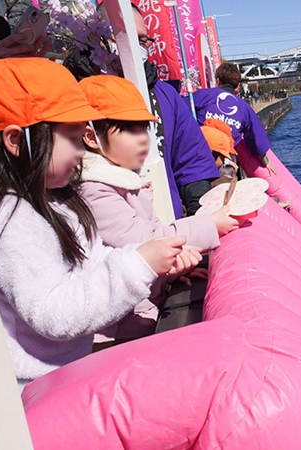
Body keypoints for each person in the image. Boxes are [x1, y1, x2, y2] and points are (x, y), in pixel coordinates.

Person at [0, 58, 187, 388]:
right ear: (15, 141)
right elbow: (54, 314)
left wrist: (156, 265)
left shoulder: (54, 198)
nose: (82, 151)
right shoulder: (9, 218)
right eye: (72, 137)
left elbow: (93, 261)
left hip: (71, 369)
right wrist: (139, 265)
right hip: (39, 390)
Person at [78, 75, 240, 340]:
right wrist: (211, 224)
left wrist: (168, 276)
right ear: (91, 137)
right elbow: (147, 242)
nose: (143, 139)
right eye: (130, 130)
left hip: (139, 310)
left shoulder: (121, 179)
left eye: (144, 128)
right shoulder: (94, 189)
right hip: (118, 331)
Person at [95, 2, 219, 218]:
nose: (136, 46)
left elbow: (191, 161)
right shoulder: (79, 92)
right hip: (106, 226)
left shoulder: (166, 95)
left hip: (168, 222)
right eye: (124, 37)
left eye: (143, 40)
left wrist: (202, 215)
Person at [192, 63, 278, 176]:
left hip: (199, 150)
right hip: (226, 158)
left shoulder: (203, 95)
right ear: (237, 85)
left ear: (218, 81)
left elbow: (181, 109)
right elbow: (256, 139)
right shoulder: (244, 107)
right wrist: (266, 162)